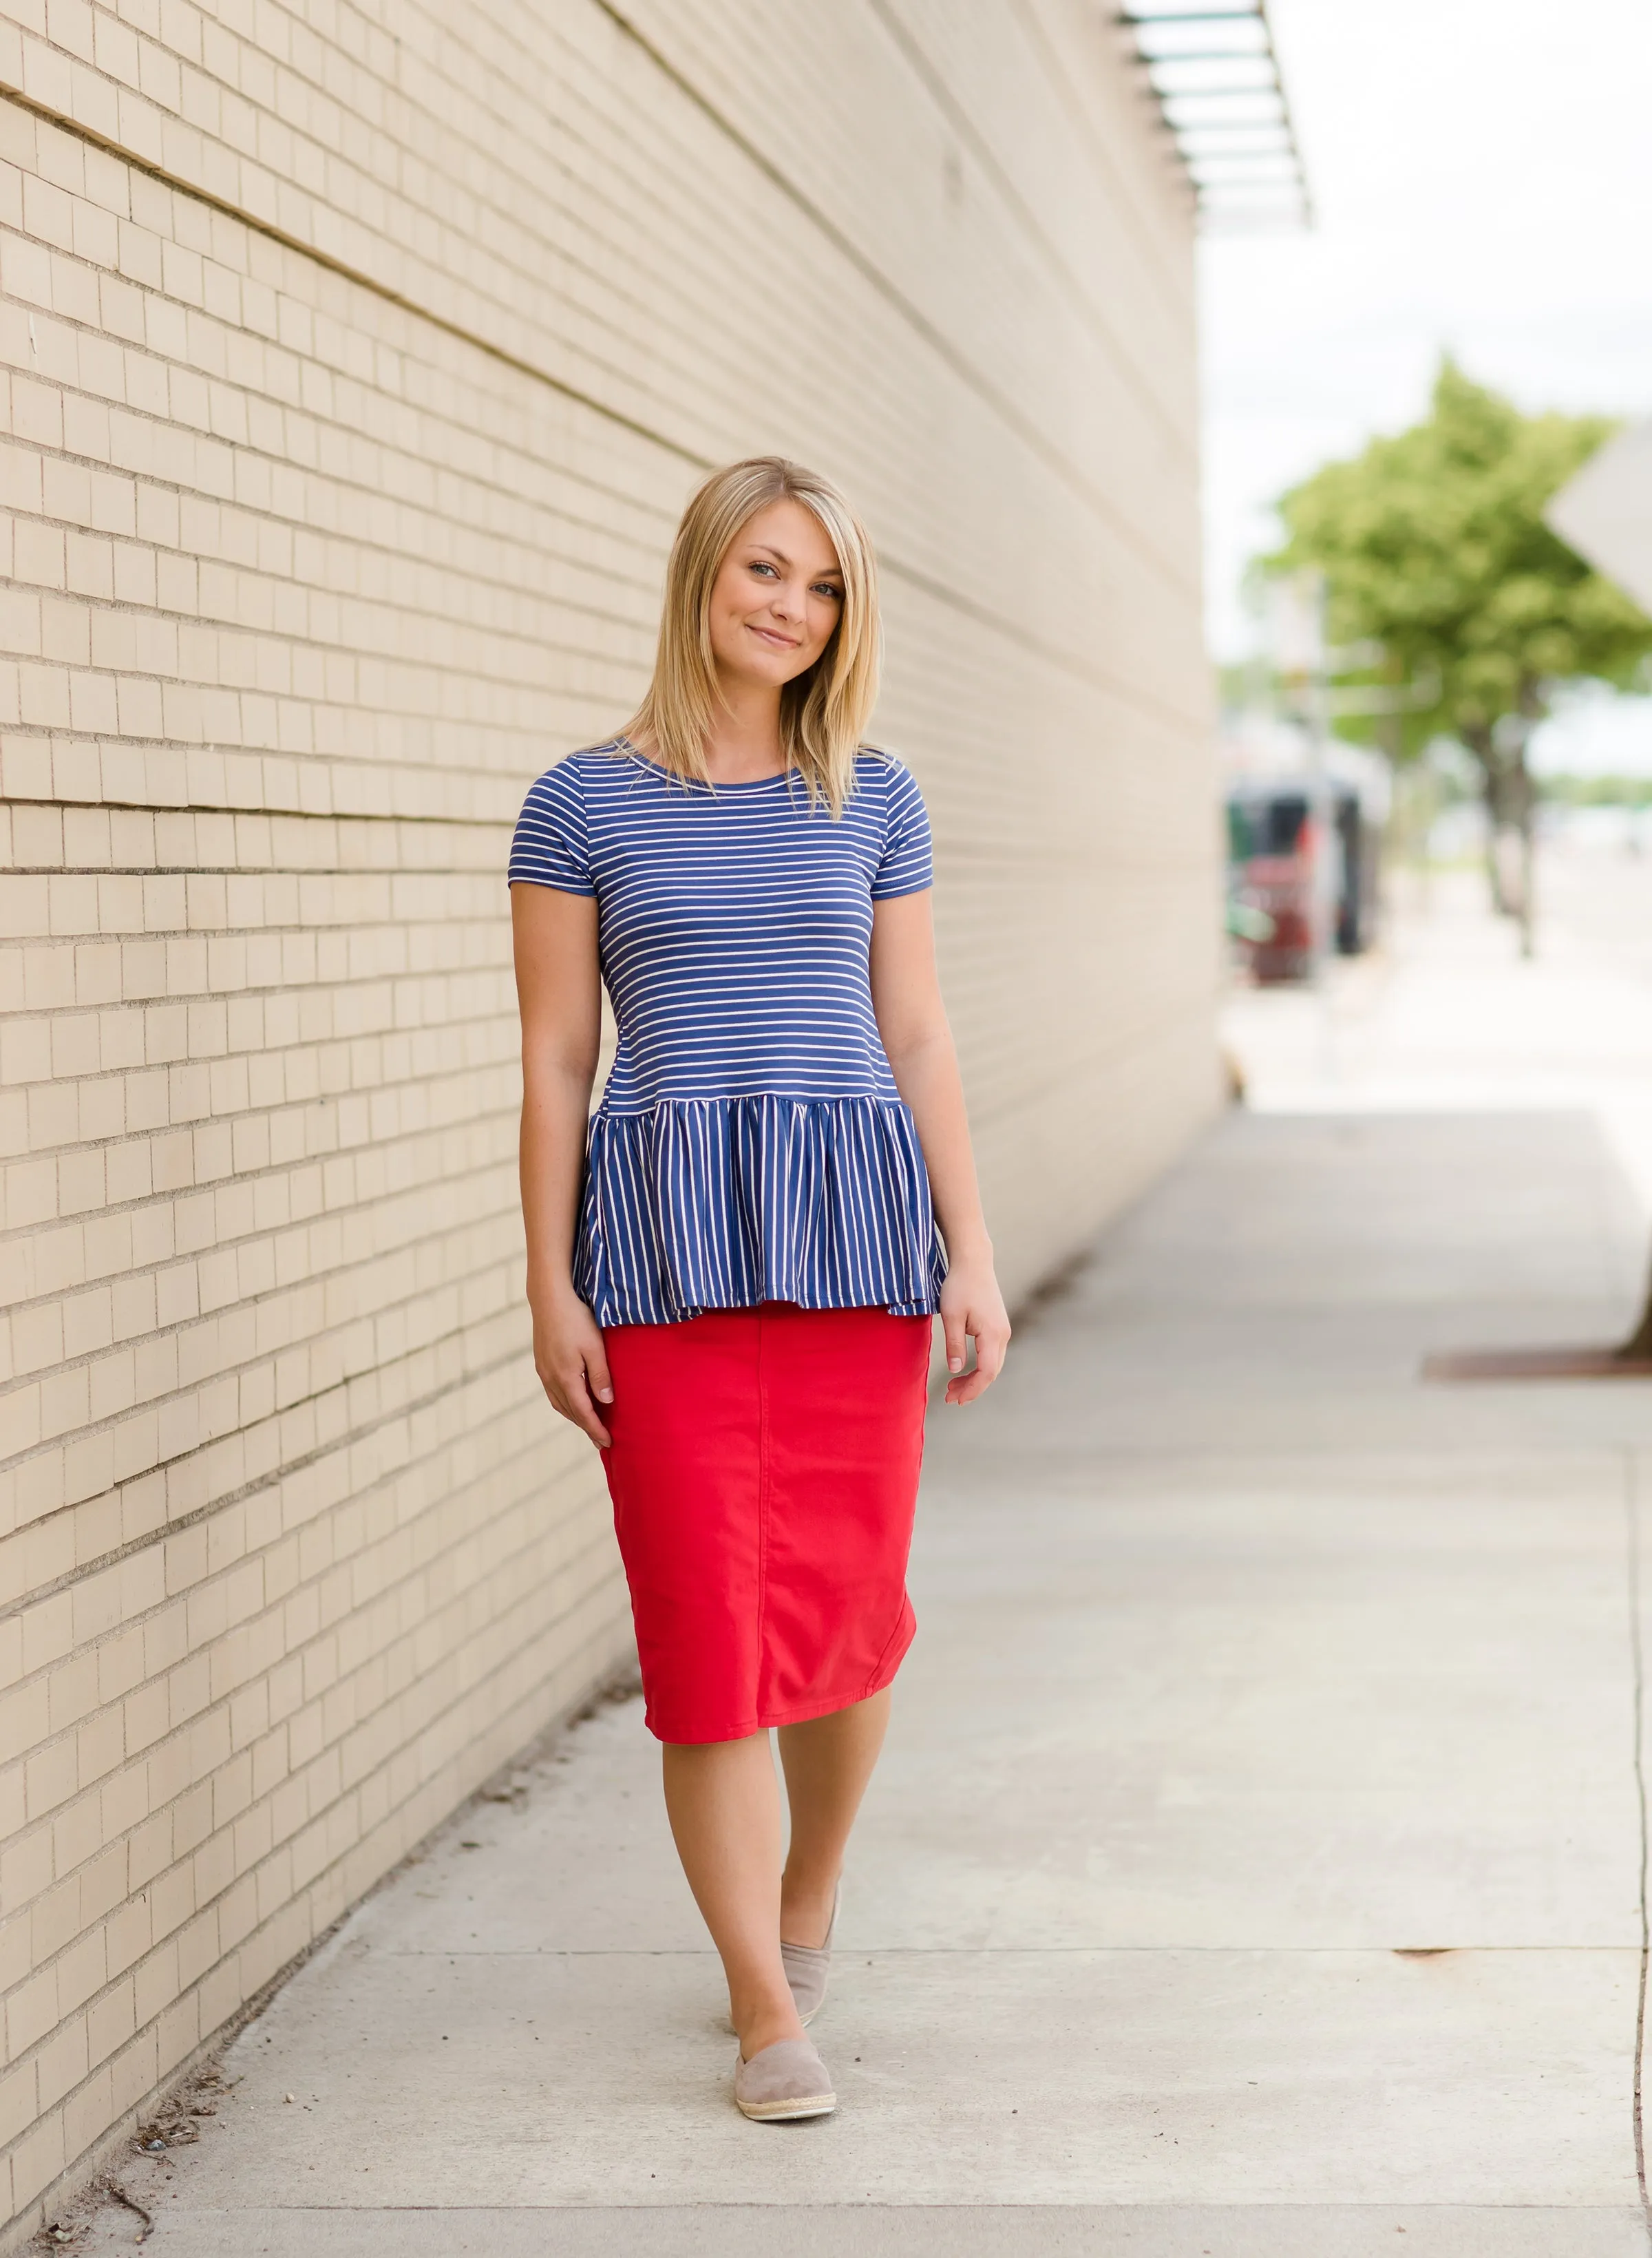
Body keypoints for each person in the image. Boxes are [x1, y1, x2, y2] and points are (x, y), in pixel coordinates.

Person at [509, 456, 1009, 2122]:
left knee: (848, 1629)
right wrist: (546, 1285)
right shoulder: (579, 802)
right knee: (711, 1641)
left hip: (858, 1250)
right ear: (704, 575)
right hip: (662, 1257)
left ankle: (811, 1892)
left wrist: (973, 1252)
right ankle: (757, 2005)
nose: (792, 607)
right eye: (768, 572)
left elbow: (918, 1032)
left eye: (824, 587)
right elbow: (557, 1057)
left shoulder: (873, 794)